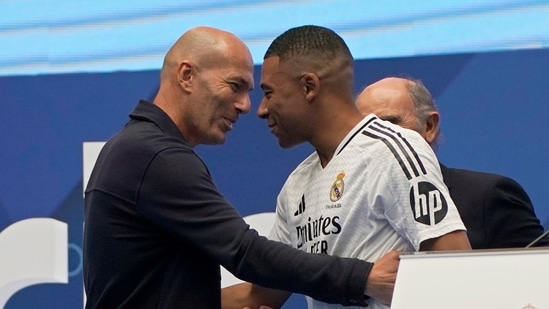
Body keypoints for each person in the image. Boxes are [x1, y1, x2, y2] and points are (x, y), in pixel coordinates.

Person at [82, 26, 403, 309]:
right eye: (235, 85)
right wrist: (364, 277)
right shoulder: (154, 155)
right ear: (186, 76)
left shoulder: (134, 148)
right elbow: (245, 253)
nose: (246, 106)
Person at [222, 25, 471, 309]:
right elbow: (260, 296)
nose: (261, 109)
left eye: (269, 93)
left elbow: (455, 267)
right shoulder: (296, 185)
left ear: (308, 87)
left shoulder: (394, 150)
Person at [355, 76, 549, 249]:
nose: (377, 136)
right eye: (365, 128)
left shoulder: (487, 197)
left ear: (429, 126)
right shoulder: (341, 205)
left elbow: (537, 272)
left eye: (389, 123)